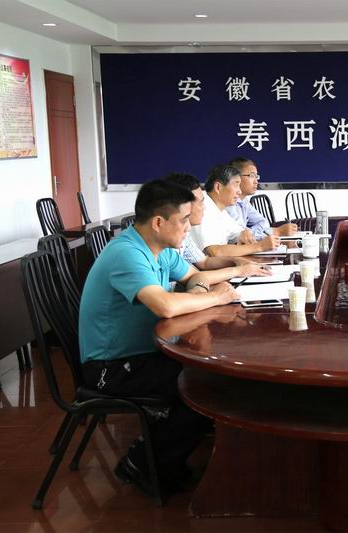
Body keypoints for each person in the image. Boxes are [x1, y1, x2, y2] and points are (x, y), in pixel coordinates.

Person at [78, 180, 243, 497]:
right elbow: (165, 306)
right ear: (158, 222)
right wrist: (215, 297)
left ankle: (162, 460)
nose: (189, 227)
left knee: (209, 378)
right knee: (206, 388)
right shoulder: (127, 253)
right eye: (184, 219)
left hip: (143, 353)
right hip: (109, 367)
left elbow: (195, 276)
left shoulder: (160, 249)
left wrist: (201, 290)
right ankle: (141, 461)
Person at [164, 172, 272, 277]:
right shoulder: (165, 246)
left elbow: (204, 262)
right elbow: (199, 273)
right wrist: (238, 269)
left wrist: (236, 261)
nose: (204, 207)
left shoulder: (185, 235)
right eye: (236, 185)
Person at [189, 164, 282, 257]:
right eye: (236, 185)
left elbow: (240, 232)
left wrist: (246, 234)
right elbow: (215, 252)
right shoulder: (203, 208)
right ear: (218, 187)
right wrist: (260, 246)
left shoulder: (220, 210)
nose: (239, 191)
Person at [225, 157, 298, 237]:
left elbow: (263, 222)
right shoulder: (228, 203)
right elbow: (238, 235)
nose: (256, 181)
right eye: (252, 176)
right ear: (235, 177)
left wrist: (265, 232)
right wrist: (275, 232)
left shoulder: (244, 201)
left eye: (256, 176)